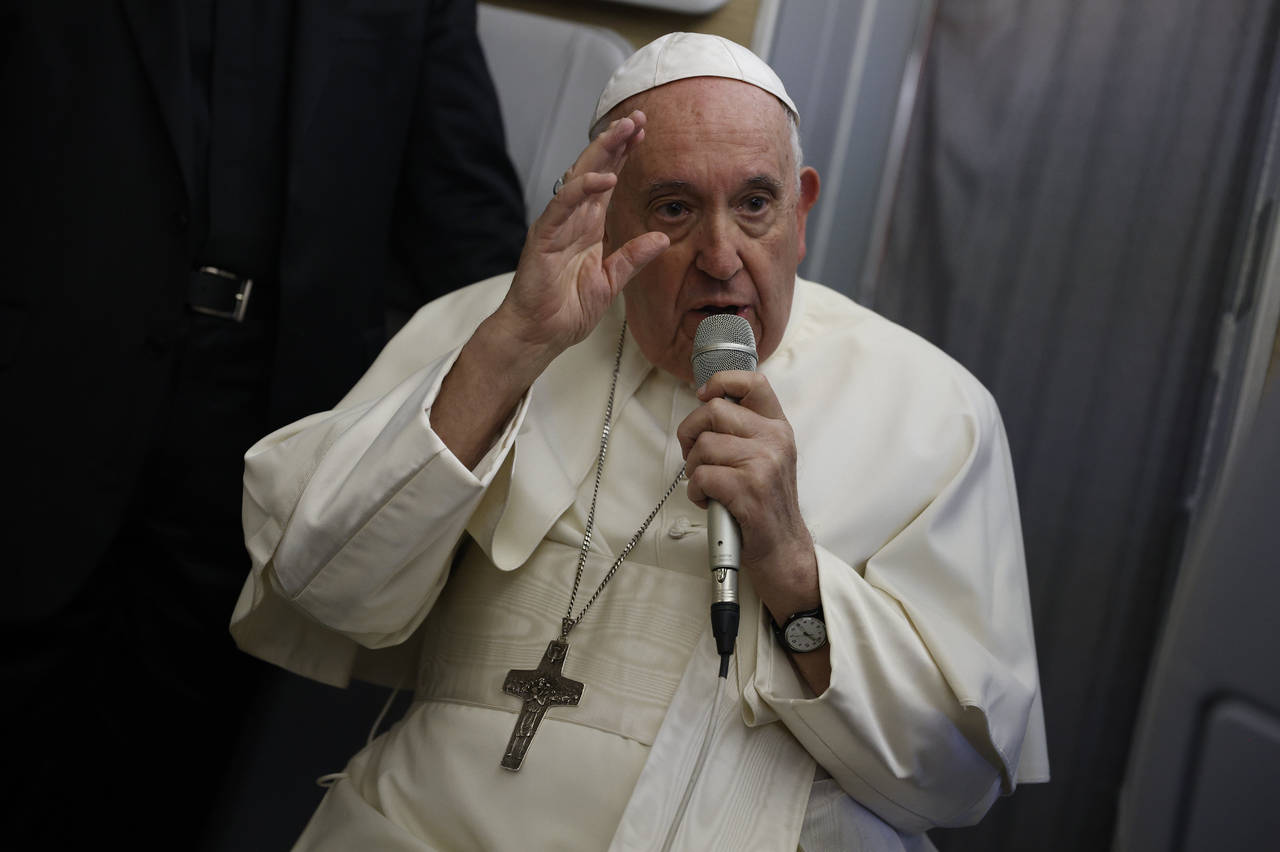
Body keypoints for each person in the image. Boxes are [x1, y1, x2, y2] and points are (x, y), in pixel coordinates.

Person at [229, 32, 1049, 851]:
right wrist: (512, 349)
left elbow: (957, 774)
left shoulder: (934, 410)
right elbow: (319, 582)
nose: (721, 256)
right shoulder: (495, 329)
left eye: (756, 204)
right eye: (675, 209)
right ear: (605, 213)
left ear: (801, 213)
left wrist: (792, 567)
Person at [0, 0, 525, 845]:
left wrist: (547, 398)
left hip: (261, 449)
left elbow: (465, 218)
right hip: (40, 397)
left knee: (161, 776)